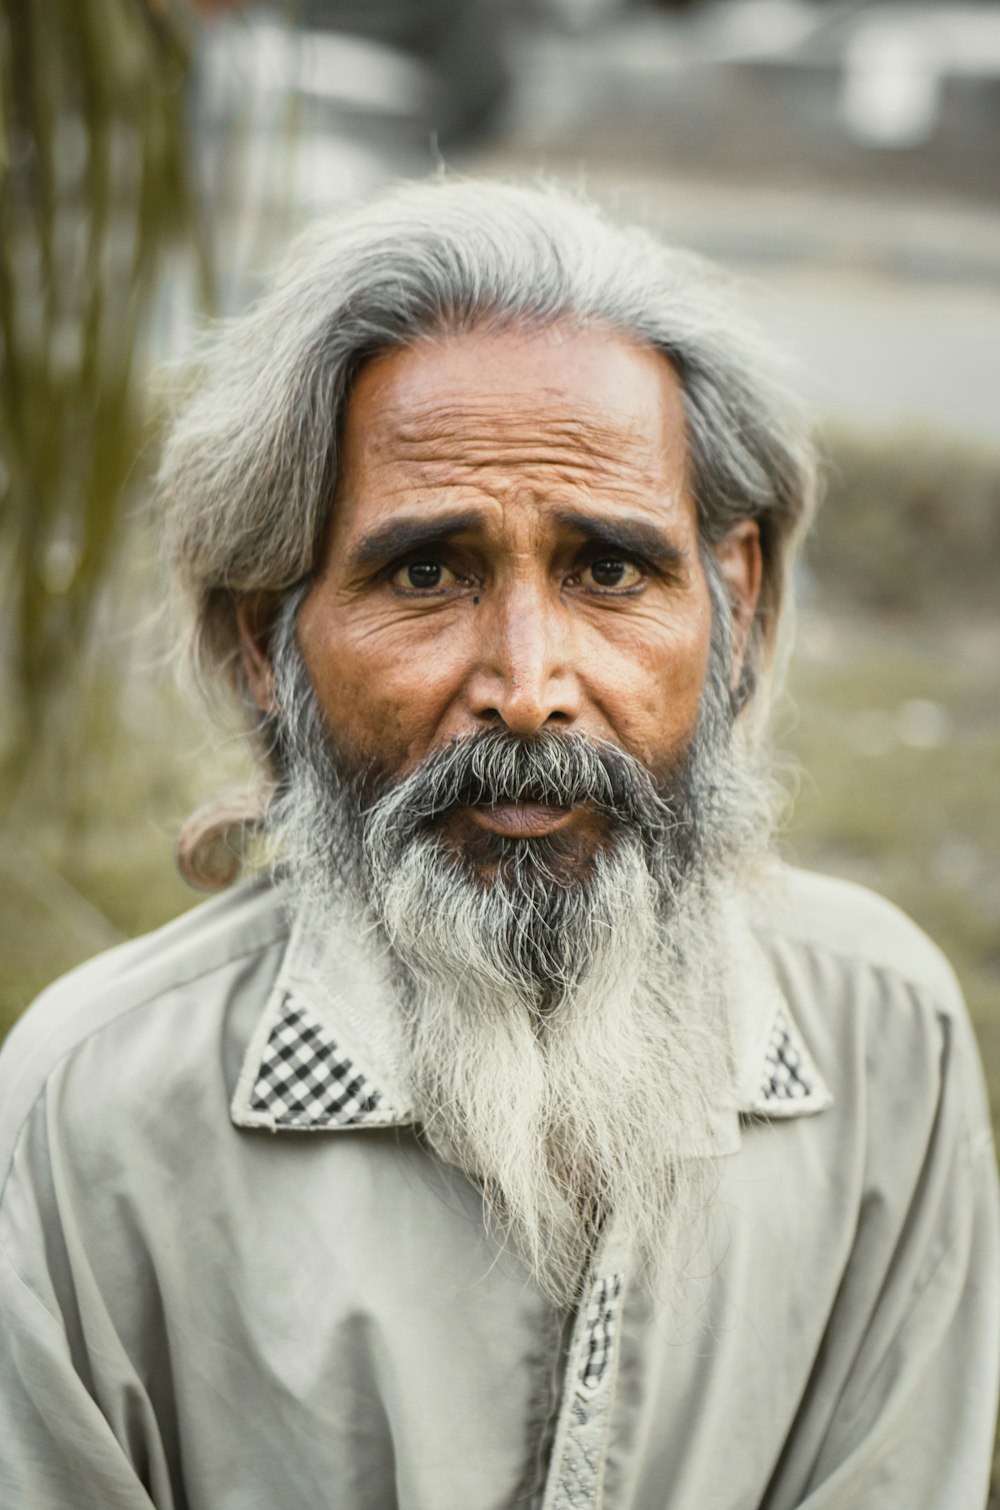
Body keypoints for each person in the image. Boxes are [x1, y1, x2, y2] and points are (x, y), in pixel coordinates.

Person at [0, 179, 996, 1510]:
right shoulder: (93, 1115)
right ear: (264, 639)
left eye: (608, 570)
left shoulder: (884, 1037)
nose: (528, 684)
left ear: (735, 600)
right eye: (427, 572)